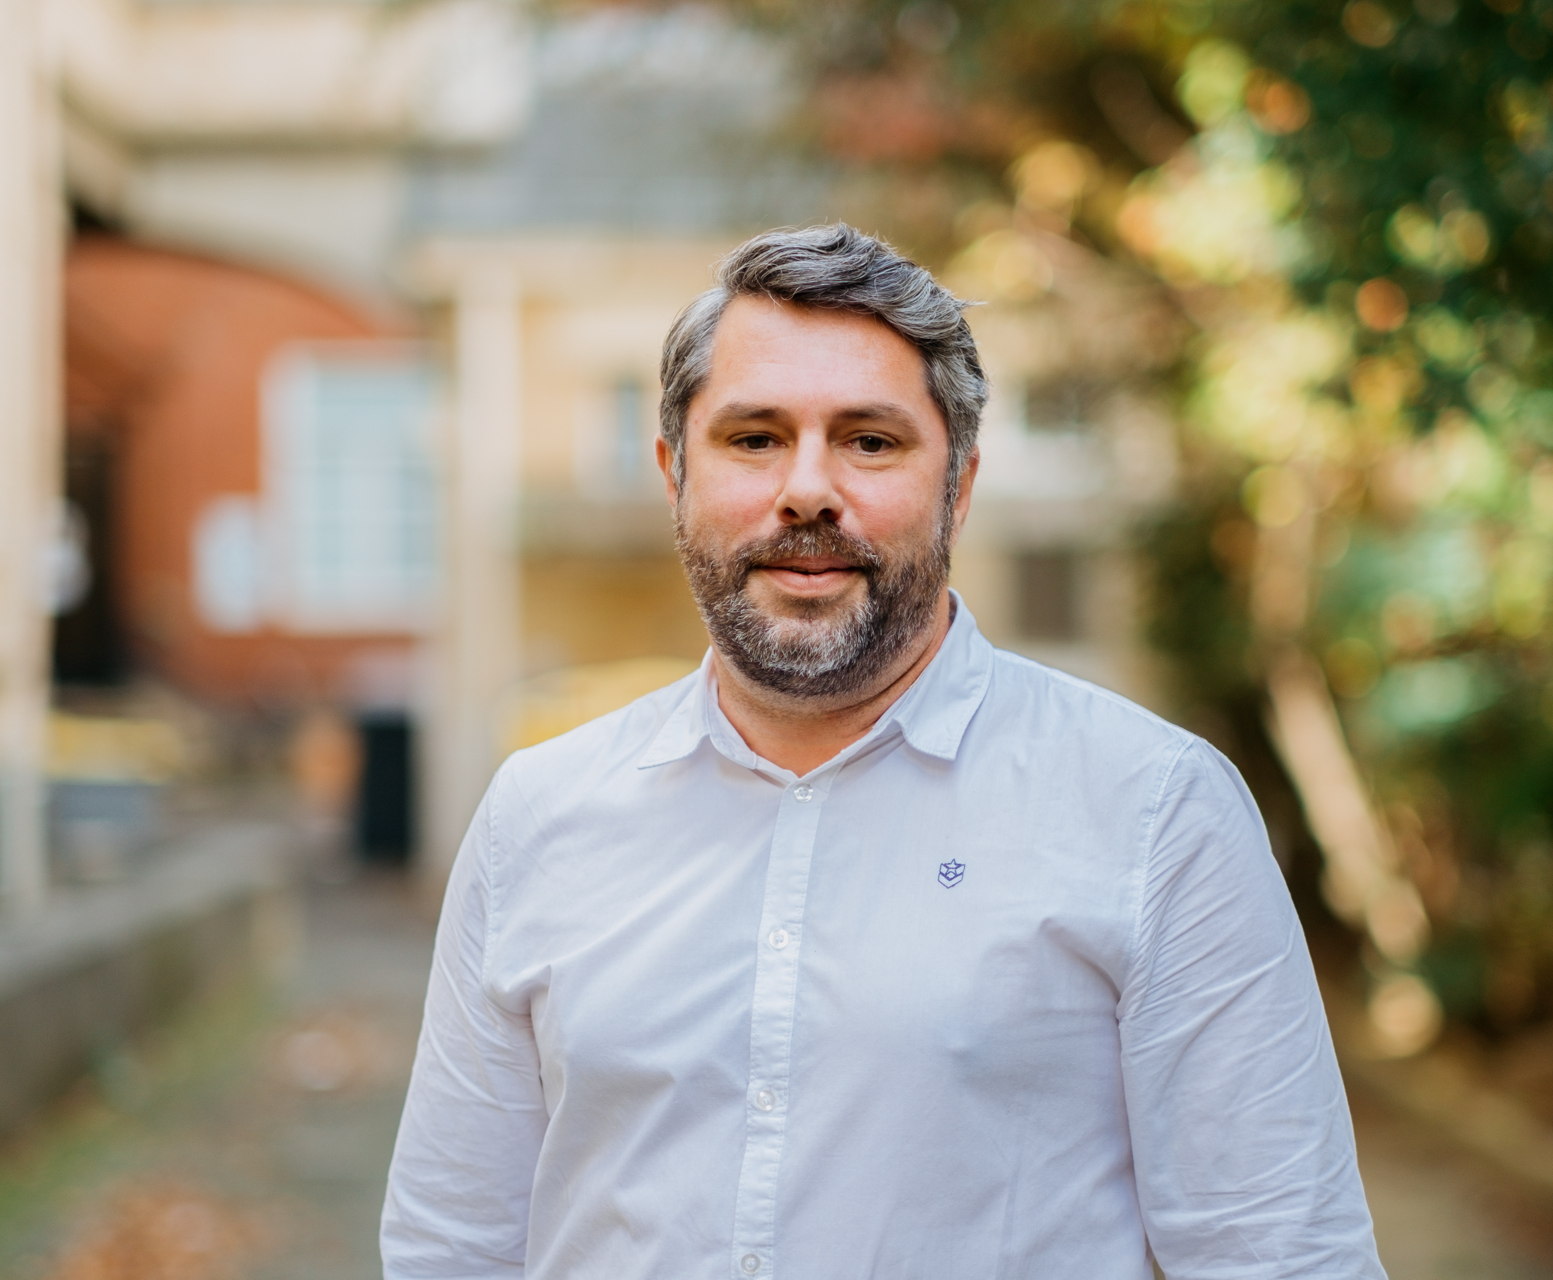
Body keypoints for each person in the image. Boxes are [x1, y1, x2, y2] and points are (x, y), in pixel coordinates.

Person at [381, 224, 1386, 1279]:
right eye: (755, 438)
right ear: (676, 471)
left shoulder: (1154, 810)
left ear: (958, 482)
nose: (807, 489)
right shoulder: (538, 814)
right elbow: (450, 1247)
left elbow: (1282, 1255)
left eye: (869, 440)